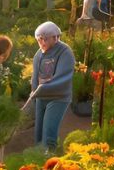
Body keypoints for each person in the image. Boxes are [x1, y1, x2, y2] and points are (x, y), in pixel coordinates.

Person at [23, 21, 75, 152]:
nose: (42, 42)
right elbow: (35, 76)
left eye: (45, 39)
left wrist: (41, 89)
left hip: (58, 97)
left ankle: (50, 160)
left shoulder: (65, 52)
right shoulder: (38, 54)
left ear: (55, 37)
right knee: (39, 132)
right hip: (41, 96)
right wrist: (34, 91)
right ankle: (38, 161)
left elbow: (63, 77)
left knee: (49, 132)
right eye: (39, 39)